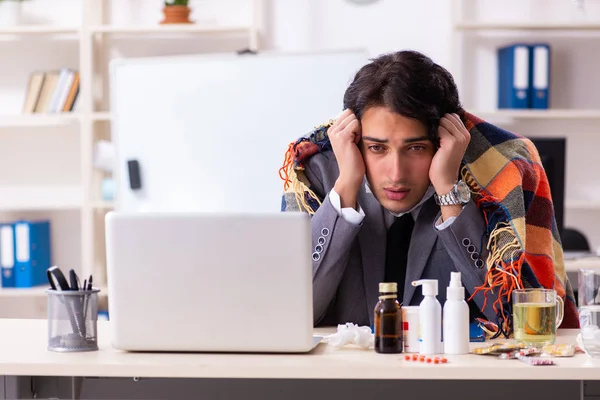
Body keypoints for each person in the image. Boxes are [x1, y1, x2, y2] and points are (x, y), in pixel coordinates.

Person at [279, 50, 579, 336]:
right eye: (376, 148)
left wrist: (449, 192)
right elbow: (292, 312)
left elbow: (519, 320)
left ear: (443, 139)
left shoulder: (499, 171)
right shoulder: (315, 172)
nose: (396, 174)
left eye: (416, 148)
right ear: (356, 140)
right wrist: (345, 189)